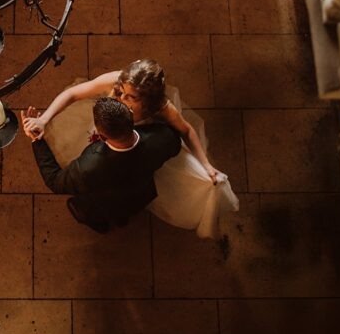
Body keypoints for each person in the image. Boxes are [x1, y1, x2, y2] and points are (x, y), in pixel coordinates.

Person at [22, 58, 239, 239]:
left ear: (148, 102)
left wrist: (206, 165)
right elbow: (73, 94)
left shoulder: (162, 108)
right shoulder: (116, 81)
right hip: (111, 136)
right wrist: (45, 119)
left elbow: (186, 130)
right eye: (120, 92)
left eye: (130, 97)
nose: (121, 99)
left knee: (106, 185)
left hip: (127, 149)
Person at [27, 95, 182, 233]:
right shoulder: (163, 137)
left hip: (104, 205)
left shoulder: (89, 167)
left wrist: (37, 140)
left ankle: (101, 225)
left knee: (93, 212)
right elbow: (175, 146)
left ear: (101, 136)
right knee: (123, 215)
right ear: (131, 118)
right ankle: (121, 220)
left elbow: (55, 182)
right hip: (140, 195)